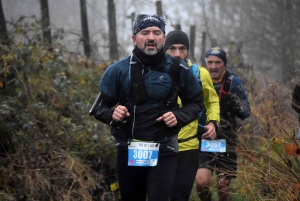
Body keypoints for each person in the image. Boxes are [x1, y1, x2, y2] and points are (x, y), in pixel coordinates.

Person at [89, 14, 203, 201]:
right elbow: (98, 108)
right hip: (128, 149)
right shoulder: (117, 70)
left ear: (163, 39)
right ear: (135, 39)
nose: (151, 37)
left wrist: (179, 116)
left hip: (165, 148)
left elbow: (196, 103)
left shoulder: (180, 70)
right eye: (145, 32)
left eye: (157, 33)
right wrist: (112, 114)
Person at [164, 30, 220, 201]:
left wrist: (212, 122)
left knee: (180, 196)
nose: (177, 54)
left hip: (188, 146)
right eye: (172, 49)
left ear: (188, 50)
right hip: (161, 145)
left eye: (182, 49)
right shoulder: (155, 74)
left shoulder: (200, 74)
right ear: (164, 49)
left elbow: (212, 101)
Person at [195, 47, 251, 201]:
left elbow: (246, 112)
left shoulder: (233, 81)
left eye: (218, 62)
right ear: (206, 63)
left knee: (222, 187)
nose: (213, 66)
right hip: (204, 138)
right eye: (210, 62)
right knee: (201, 183)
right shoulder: (197, 79)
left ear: (224, 64)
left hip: (227, 139)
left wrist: (234, 104)